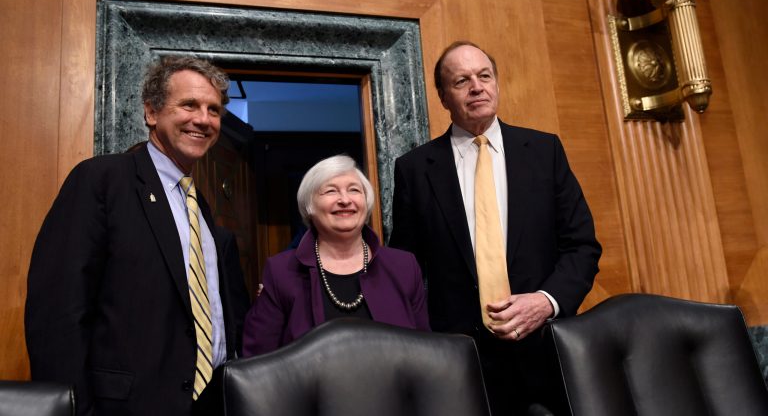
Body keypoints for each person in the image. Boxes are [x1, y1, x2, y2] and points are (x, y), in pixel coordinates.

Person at [25, 56, 250, 416]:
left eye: (214, 110)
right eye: (189, 105)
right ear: (151, 112)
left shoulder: (201, 208)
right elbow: (57, 315)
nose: (204, 120)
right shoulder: (102, 180)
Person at [389, 41, 601, 415]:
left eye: (484, 76)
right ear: (443, 97)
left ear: (497, 84)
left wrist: (545, 301)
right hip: (457, 361)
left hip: (545, 350)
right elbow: (406, 269)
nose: (477, 87)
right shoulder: (415, 169)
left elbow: (582, 246)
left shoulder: (544, 151)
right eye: (461, 80)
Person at [242, 155, 429, 356]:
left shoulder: (403, 266)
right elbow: (257, 359)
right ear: (309, 207)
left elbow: (425, 350)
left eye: (354, 190)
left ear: (366, 203)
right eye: (331, 191)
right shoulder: (281, 272)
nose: (345, 200)